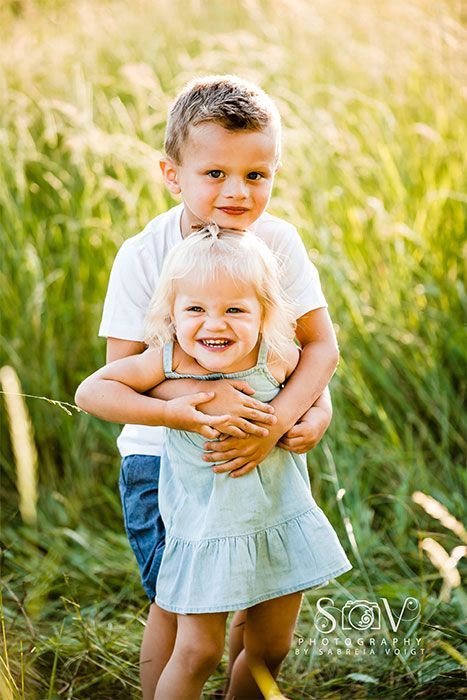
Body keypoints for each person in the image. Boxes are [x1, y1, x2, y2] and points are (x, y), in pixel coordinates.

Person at [77, 74, 341, 698]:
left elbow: (316, 346)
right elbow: (128, 368)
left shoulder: (277, 242)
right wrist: (205, 400)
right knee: (180, 612)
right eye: (215, 173)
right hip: (163, 456)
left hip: (262, 443)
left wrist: (293, 414)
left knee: (262, 597)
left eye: (256, 175)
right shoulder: (144, 255)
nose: (237, 191)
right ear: (172, 174)